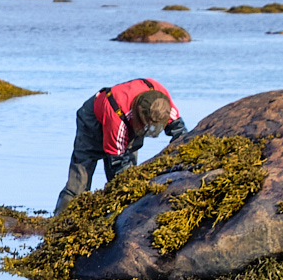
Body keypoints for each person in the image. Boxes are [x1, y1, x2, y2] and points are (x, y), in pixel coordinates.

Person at [54, 77, 189, 214]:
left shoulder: (161, 101)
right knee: (80, 180)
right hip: (93, 121)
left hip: (128, 120)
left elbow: (180, 132)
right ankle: (61, 218)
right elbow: (117, 160)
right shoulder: (117, 116)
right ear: (140, 114)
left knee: (128, 166)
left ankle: (114, 213)